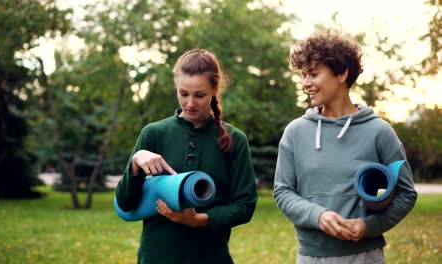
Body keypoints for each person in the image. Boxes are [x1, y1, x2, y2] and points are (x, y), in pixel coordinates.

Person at [273, 32, 418, 264]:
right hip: (312, 257)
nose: (305, 83)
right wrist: (318, 216)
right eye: (304, 75)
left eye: (313, 74)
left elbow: (406, 193)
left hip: (365, 256)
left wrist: (368, 225)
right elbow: (283, 191)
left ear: (341, 73)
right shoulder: (295, 132)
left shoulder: (379, 131)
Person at [115, 49, 258, 263]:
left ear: (215, 89)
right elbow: (126, 204)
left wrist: (198, 220)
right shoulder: (153, 133)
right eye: (183, 93)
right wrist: (136, 163)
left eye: (199, 95)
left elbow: (244, 206)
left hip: (210, 257)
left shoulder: (235, 139)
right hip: (157, 257)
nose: (190, 103)